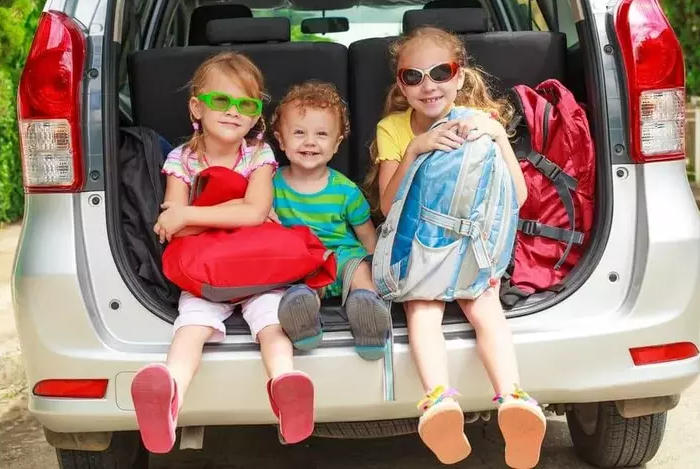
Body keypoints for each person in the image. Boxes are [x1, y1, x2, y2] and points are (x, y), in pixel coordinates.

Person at [364, 26, 546, 468]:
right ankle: (441, 402)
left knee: (482, 305)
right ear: (401, 85)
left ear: (460, 76)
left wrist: (497, 136)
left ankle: (513, 398)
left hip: (472, 250)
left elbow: (518, 198)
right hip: (420, 247)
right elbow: (388, 206)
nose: (429, 85)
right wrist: (416, 149)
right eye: (413, 76)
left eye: (440, 72)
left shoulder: (481, 124)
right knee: (423, 307)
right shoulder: (393, 128)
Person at [131, 52, 314, 454]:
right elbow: (173, 222)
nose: (233, 112)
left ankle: (285, 385)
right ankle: (169, 394)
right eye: (221, 101)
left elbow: (254, 211)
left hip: (256, 267)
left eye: (246, 105)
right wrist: (231, 214)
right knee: (190, 327)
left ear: (255, 116)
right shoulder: (180, 159)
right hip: (207, 272)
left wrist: (197, 216)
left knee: (272, 325)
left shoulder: (259, 154)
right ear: (196, 105)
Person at [270, 81, 392, 361]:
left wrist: (377, 267)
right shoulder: (271, 185)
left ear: (336, 143)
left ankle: (368, 316)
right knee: (298, 287)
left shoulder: (345, 190)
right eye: (299, 132)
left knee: (361, 272)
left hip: (344, 257)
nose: (310, 142)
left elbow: (366, 235)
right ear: (280, 139)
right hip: (304, 261)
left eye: (321, 134)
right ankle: (304, 322)